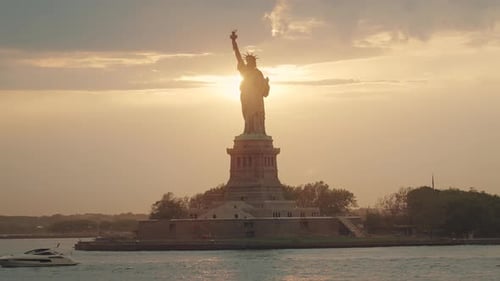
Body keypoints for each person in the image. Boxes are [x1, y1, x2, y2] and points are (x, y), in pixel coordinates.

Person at [230, 30, 270, 135]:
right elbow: (238, 56)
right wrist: (234, 42)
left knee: (257, 114)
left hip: (256, 98)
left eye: (250, 61)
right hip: (247, 96)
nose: (248, 62)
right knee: (248, 114)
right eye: (247, 61)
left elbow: (264, 92)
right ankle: (248, 131)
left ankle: (258, 132)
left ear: (254, 62)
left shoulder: (258, 73)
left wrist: (266, 83)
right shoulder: (244, 70)